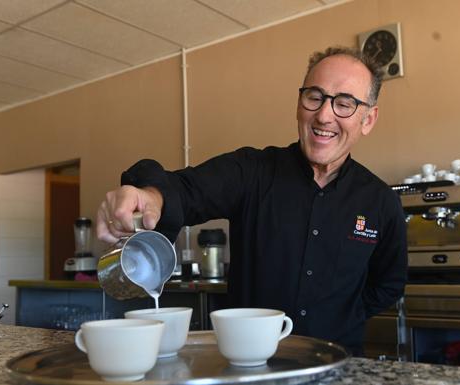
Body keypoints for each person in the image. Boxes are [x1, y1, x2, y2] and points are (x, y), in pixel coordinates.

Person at [96, 46, 407, 356]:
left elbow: (387, 286)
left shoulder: (380, 201)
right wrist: (150, 195)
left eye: (345, 104)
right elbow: (186, 189)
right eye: (314, 97)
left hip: (339, 364)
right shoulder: (251, 171)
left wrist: (341, 315)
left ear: (368, 119)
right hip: (251, 365)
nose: (324, 116)